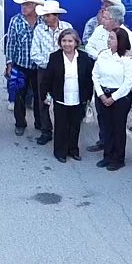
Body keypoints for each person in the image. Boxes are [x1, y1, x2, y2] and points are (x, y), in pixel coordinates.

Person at [84, 3, 132, 153]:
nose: (102, 19)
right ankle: (104, 143)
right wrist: (103, 58)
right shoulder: (99, 31)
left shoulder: (129, 37)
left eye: (106, 18)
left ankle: (117, 154)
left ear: (115, 20)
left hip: (119, 88)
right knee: (103, 117)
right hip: (102, 79)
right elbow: (89, 46)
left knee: (117, 124)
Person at [41, 28, 94, 163]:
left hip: (78, 99)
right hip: (61, 98)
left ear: (76, 42)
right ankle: (60, 152)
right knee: (61, 126)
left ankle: (73, 150)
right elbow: (47, 79)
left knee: (75, 126)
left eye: (70, 41)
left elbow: (89, 79)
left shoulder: (84, 58)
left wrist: (88, 97)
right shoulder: (55, 57)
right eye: (64, 41)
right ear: (60, 43)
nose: (67, 44)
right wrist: (46, 96)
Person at [92, 28, 132, 171]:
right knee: (106, 127)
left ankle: (118, 158)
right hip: (103, 95)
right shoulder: (103, 55)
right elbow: (95, 75)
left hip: (120, 98)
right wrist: (101, 95)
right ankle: (107, 155)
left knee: (118, 128)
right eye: (109, 37)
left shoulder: (128, 60)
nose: (108, 40)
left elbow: (128, 83)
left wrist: (113, 98)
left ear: (120, 41)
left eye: (112, 38)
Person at [28, 0, 72, 146]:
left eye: (48, 15)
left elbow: (73, 48)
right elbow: (34, 53)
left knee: (63, 99)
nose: (46, 18)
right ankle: (46, 130)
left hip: (65, 71)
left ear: (56, 16)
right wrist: (52, 65)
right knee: (43, 101)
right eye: (45, 15)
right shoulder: (39, 30)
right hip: (45, 71)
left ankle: (63, 129)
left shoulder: (67, 28)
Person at [4, 0, 44, 137]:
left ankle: (40, 123)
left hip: (39, 67)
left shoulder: (42, 20)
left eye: (27, 4)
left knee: (40, 96)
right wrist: (9, 63)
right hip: (20, 65)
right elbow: (11, 43)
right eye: (23, 4)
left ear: (34, 6)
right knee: (19, 96)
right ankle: (20, 123)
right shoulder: (16, 20)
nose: (23, 7)